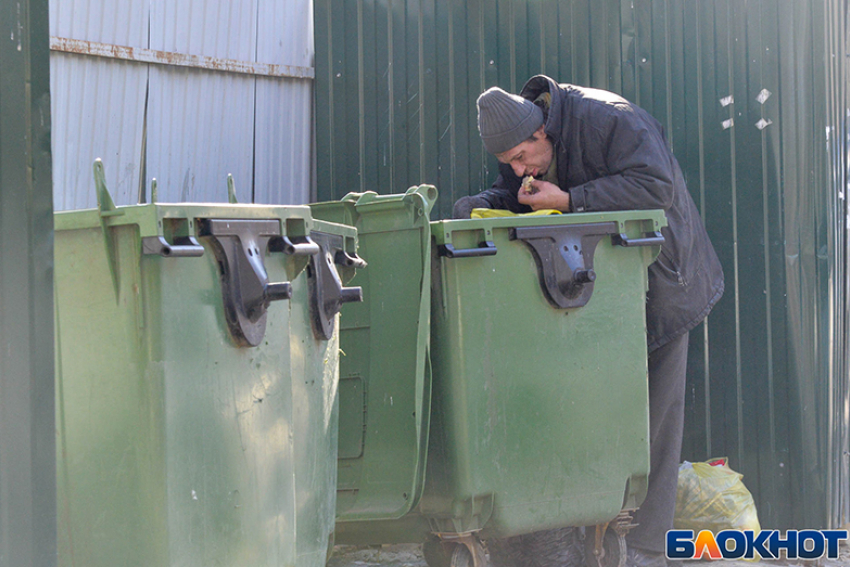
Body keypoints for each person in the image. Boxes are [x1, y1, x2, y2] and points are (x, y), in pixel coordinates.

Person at [454, 75, 725, 567]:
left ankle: (645, 548)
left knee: (655, 418)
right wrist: (483, 206)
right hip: (592, 292)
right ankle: (585, 540)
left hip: (663, 281)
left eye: (521, 159)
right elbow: (515, 195)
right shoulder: (527, 143)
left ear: (542, 133)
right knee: (582, 413)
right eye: (508, 164)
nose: (519, 171)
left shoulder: (611, 119)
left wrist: (570, 201)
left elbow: (655, 186)